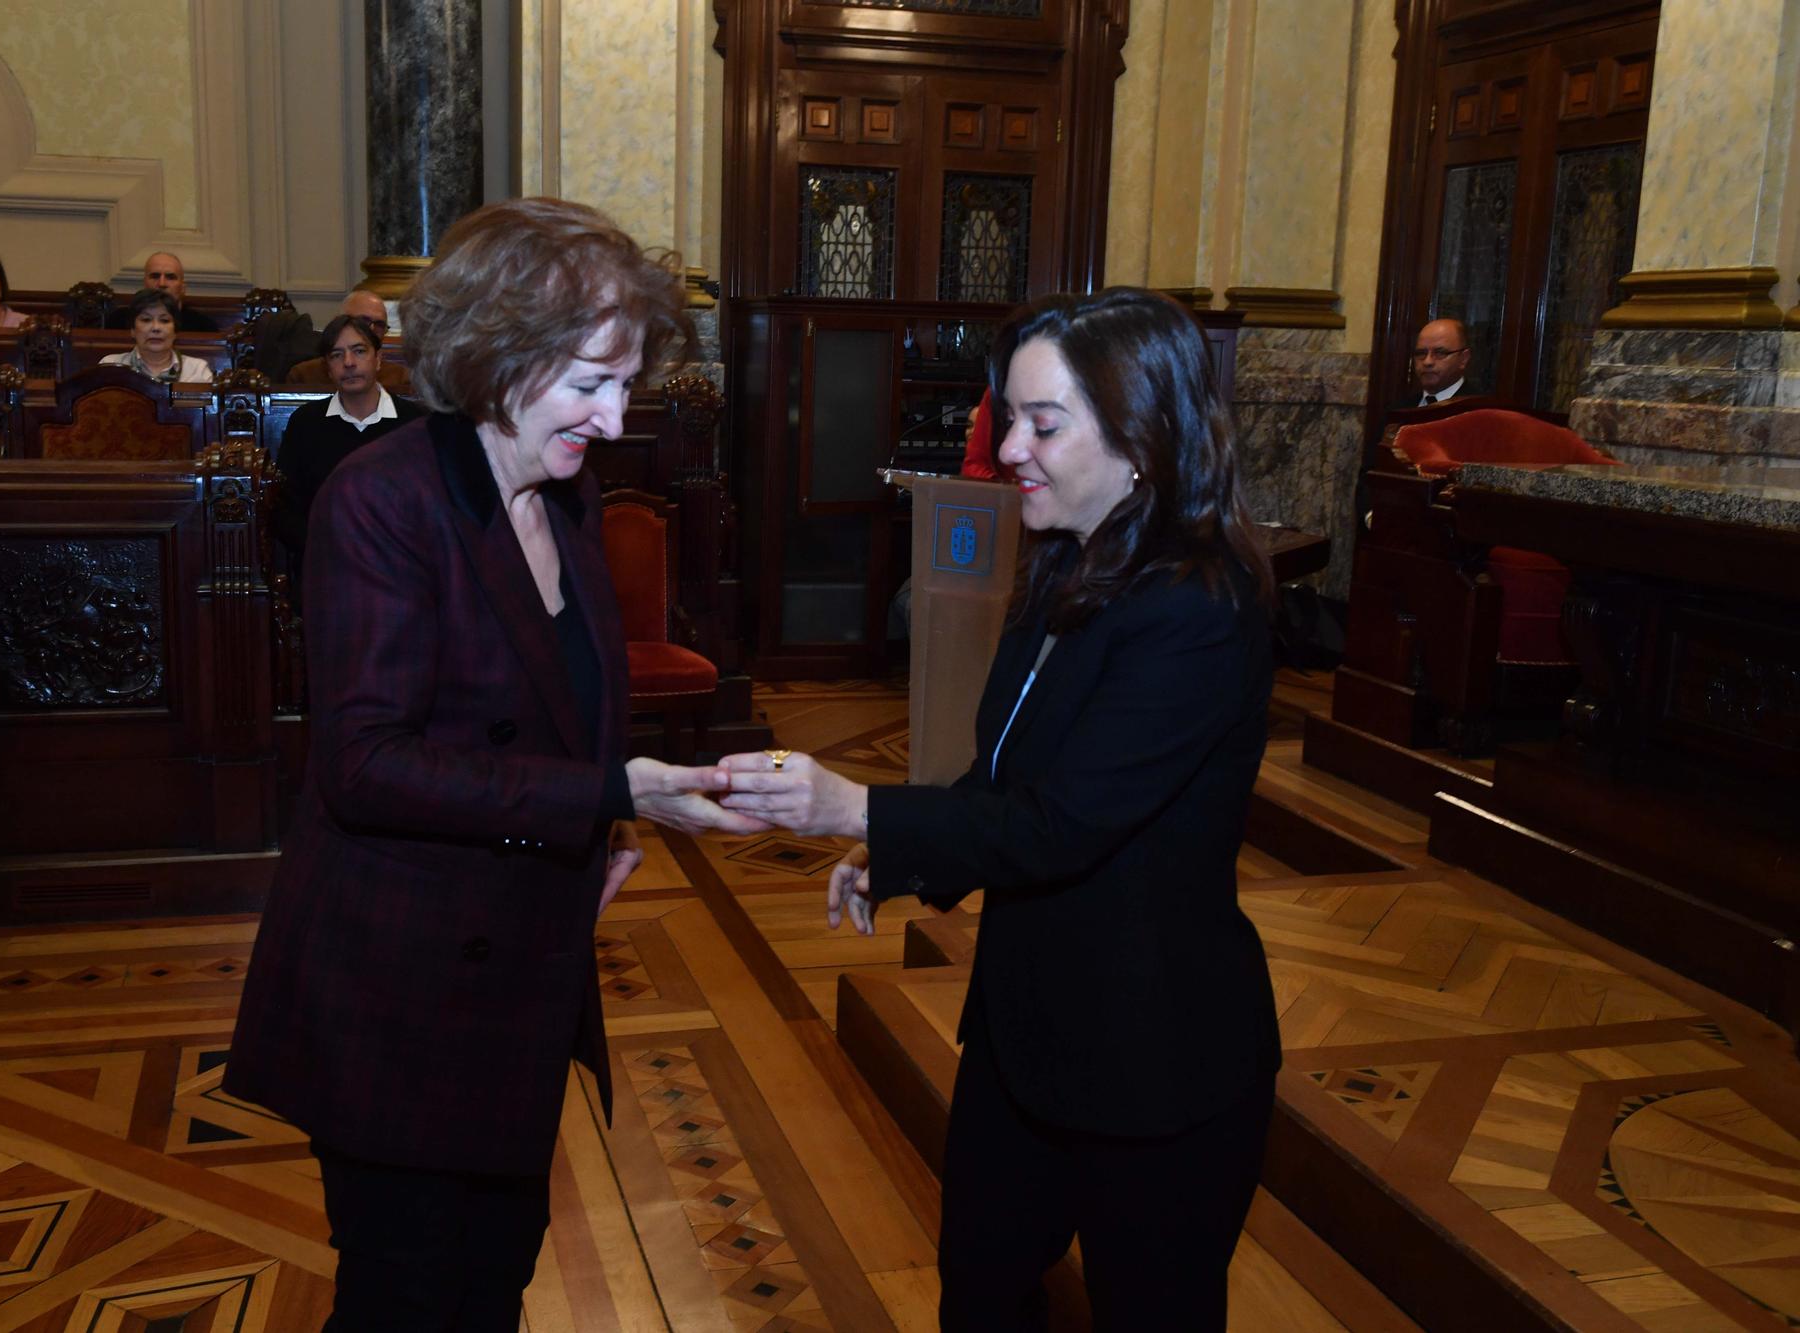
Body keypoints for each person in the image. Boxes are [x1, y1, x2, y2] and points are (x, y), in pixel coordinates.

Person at [224, 197, 767, 1330]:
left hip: (516, 971)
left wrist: (597, 835)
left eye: (627, 384)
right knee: (407, 1299)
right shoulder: (382, 499)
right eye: (589, 383)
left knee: (492, 1281)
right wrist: (607, 793)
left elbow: (553, 705)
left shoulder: (560, 488)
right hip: (396, 987)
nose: (614, 421)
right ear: (498, 356)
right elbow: (364, 765)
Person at [720, 289, 1281, 1331]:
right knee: (977, 1292)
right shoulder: (1069, 561)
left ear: (1143, 436)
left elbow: (1061, 823)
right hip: (1027, 1036)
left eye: (1042, 422)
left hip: (1153, 1061)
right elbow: (1005, 777)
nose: (1007, 447)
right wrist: (899, 855)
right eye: (1008, 416)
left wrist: (859, 808)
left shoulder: (1198, 609)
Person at [272, 313, 426, 571]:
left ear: (378, 360)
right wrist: (326, 551)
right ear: (328, 368)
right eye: (336, 355)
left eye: (359, 351)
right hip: (328, 566)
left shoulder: (415, 422)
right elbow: (286, 507)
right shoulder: (307, 423)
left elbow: (429, 508)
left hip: (402, 567)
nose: (349, 363)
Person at [284, 289, 411, 390]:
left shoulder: (400, 377)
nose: (371, 329)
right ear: (337, 322)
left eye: (379, 325)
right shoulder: (303, 375)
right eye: (363, 321)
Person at [97, 290, 214, 384]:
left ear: (175, 331)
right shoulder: (110, 366)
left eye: (164, 320)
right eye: (146, 320)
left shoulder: (197, 371)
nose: (156, 328)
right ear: (132, 330)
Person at [105, 252, 219, 332]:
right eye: (155, 276)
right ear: (144, 284)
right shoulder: (119, 321)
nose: (162, 284)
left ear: (183, 288)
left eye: (170, 277)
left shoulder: (203, 326)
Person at [1406, 316, 1471, 405]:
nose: (1427, 362)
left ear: (1464, 358)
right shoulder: (1399, 410)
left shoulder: (1481, 412)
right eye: (1421, 353)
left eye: (1440, 353)